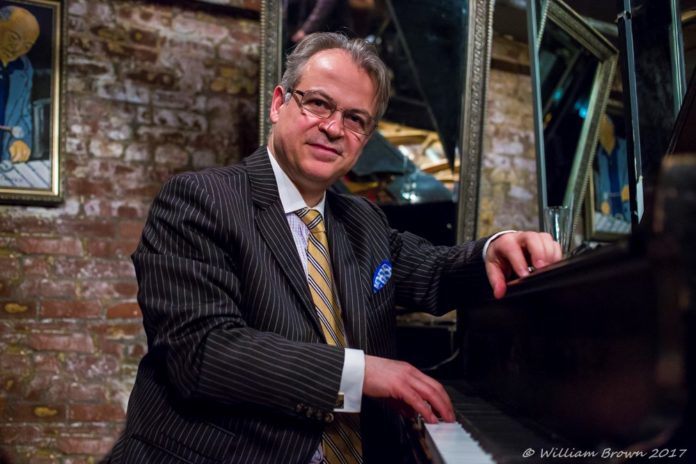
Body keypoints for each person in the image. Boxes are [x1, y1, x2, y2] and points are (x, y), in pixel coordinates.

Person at [107, 32, 561, 464]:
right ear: (279, 103)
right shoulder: (199, 199)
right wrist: (363, 374)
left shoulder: (362, 220)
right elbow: (203, 352)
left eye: (355, 119)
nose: (333, 128)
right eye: (319, 103)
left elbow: (434, 271)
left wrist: (494, 250)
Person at [0, 5, 39, 165]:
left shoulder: (24, 67)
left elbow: (24, 113)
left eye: (26, 46)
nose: (17, 48)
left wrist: (20, 140)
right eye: (13, 38)